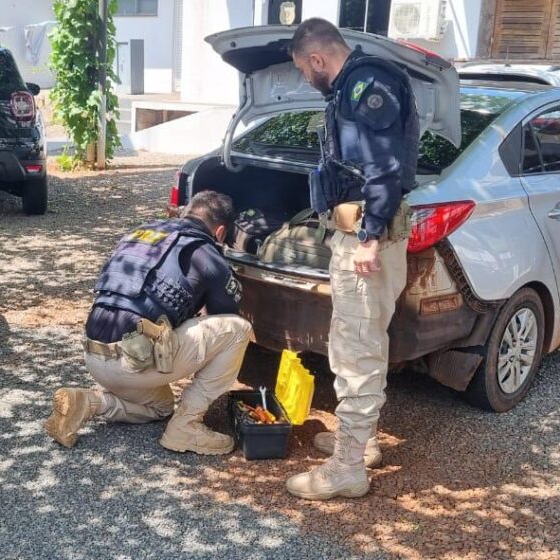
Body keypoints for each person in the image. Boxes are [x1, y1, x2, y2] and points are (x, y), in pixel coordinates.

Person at [285, 18, 418, 500]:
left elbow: (382, 167)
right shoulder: (352, 87)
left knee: (356, 347)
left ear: (318, 59)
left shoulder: (365, 85)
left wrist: (369, 236)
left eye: (304, 70)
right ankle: (359, 443)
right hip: (362, 231)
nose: (305, 78)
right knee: (361, 342)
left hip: (368, 236)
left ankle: (347, 469)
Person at [44, 191, 253, 455]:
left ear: (185, 212)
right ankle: (186, 426)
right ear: (221, 232)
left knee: (162, 406)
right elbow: (223, 316)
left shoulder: (143, 233)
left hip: (94, 357)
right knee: (238, 330)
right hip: (133, 363)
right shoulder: (206, 252)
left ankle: (88, 402)